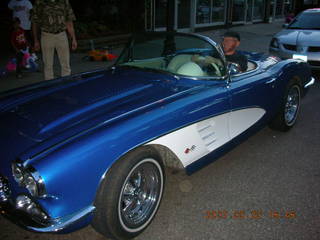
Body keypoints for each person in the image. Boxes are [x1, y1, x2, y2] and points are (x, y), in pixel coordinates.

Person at [31, 0, 77, 80]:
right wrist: (36, 40)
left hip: (61, 35)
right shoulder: (39, 2)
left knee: (66, 64)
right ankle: (50, 86)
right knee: (47, 65)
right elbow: (35, 23)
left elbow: (69, 21)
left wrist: (73, 39)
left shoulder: (64, 1)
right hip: (46, 36)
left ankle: (66, 84)